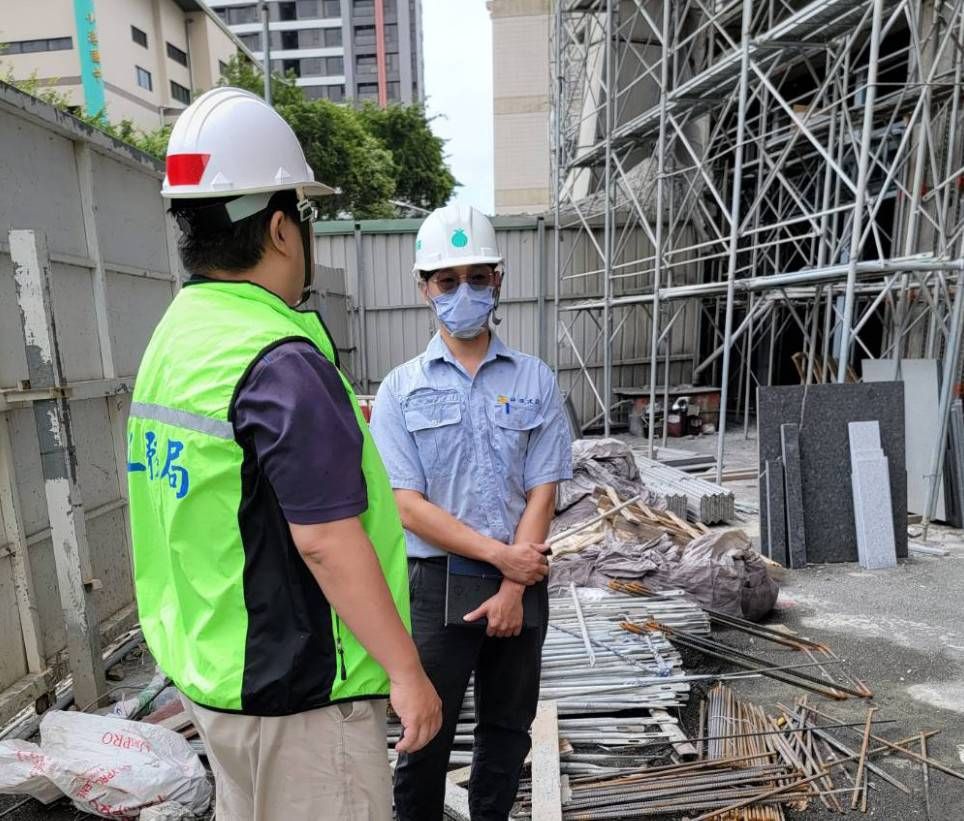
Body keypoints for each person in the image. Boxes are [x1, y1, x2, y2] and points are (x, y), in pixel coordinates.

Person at [126, 87, 440, 821]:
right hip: (299, 698)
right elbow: (327, 540)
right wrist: (405, 670)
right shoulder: (279, 359)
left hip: (215, 678)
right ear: (279, 228)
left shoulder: (174, 339)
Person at [369, 204, 573, 820]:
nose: (463, 292)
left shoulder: (534, 380)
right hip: (437, 586)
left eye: (477, 278)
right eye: (447, 280)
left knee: (507, 732)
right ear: (424, 287)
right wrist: (500, 557)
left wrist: (514, 582)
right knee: (424, 732)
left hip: (522, 581)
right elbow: (405, 505)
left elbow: (544, 490)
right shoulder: (402, 389)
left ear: (498, 281)